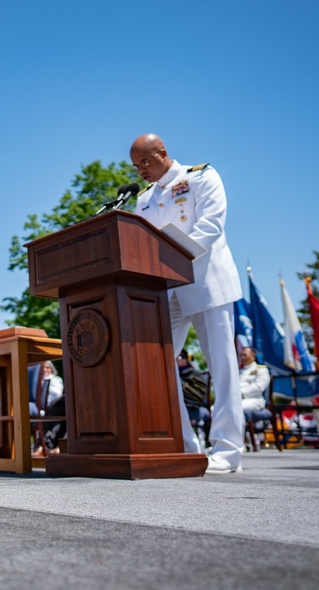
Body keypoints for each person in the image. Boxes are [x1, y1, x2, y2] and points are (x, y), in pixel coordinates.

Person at [130, 133, 244, 474]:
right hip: (165, 290)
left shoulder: (201, 177)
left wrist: (169, 259)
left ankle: (228, 449)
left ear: (163, 153)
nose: (141, 172)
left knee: (221, 366)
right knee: (158, 364)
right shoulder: (144, 200)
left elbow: (210, 226)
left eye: (145, 163)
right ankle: (185, 444)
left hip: (206, 281)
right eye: (136, 167)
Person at [239, 347, 271, 415]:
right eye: (241, 355)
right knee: (215, 409)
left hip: (254, 400)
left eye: (245, 355)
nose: (242, 357)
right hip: (237, 399)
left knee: (235, 408)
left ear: (253, 356)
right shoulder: (239, 372)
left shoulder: (261, 370)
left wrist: (240, 394)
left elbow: (259, 387)